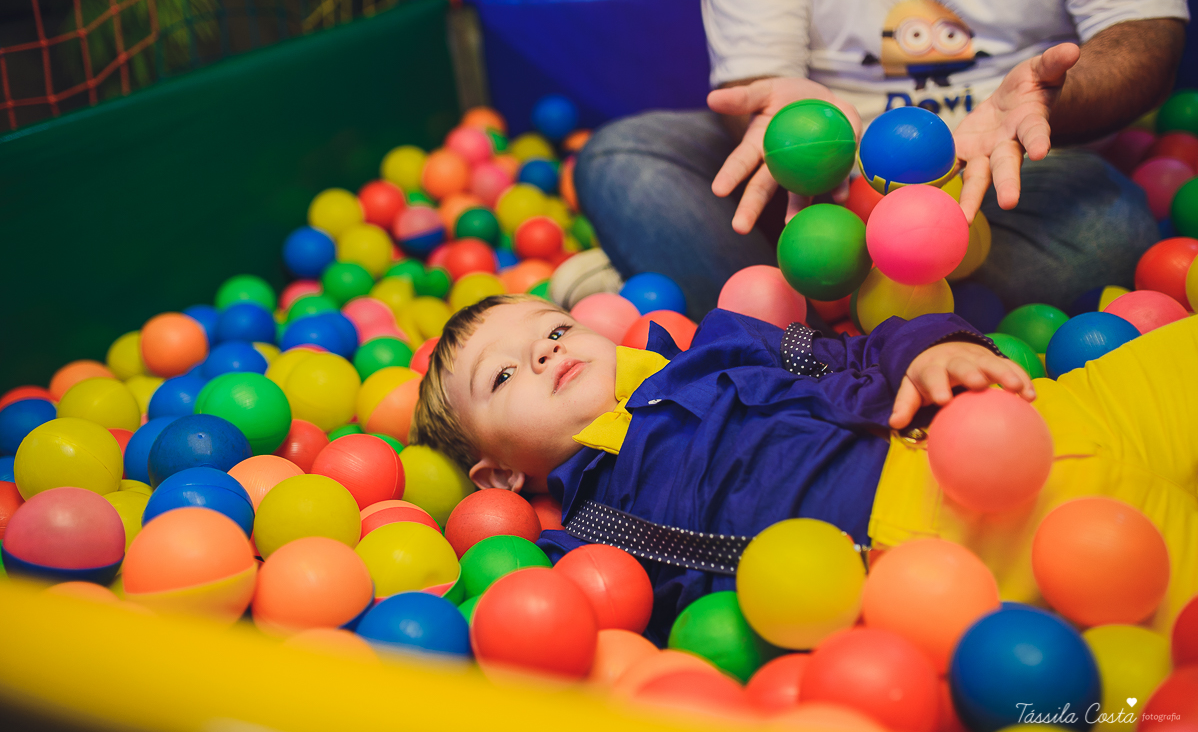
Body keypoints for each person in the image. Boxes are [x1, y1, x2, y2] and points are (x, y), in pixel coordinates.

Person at [411, 294, 1198, 644]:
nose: (543, 352)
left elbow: (854, 349)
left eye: (552, 328)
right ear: (499, 478)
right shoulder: (597, 534)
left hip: (1041, 404)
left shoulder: (718, 342)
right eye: (503, 376)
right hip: (953, 532)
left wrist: (933, 349)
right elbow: (520, 619)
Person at [575, 0, 1190, 317]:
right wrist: (788, 120)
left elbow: (1144, 38)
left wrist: (1047, 101)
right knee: (621, 159)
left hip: (997, 168)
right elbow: (759, 79)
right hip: (822, 178)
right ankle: (844, 322)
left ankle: (801, 314)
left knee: (1108, 226)